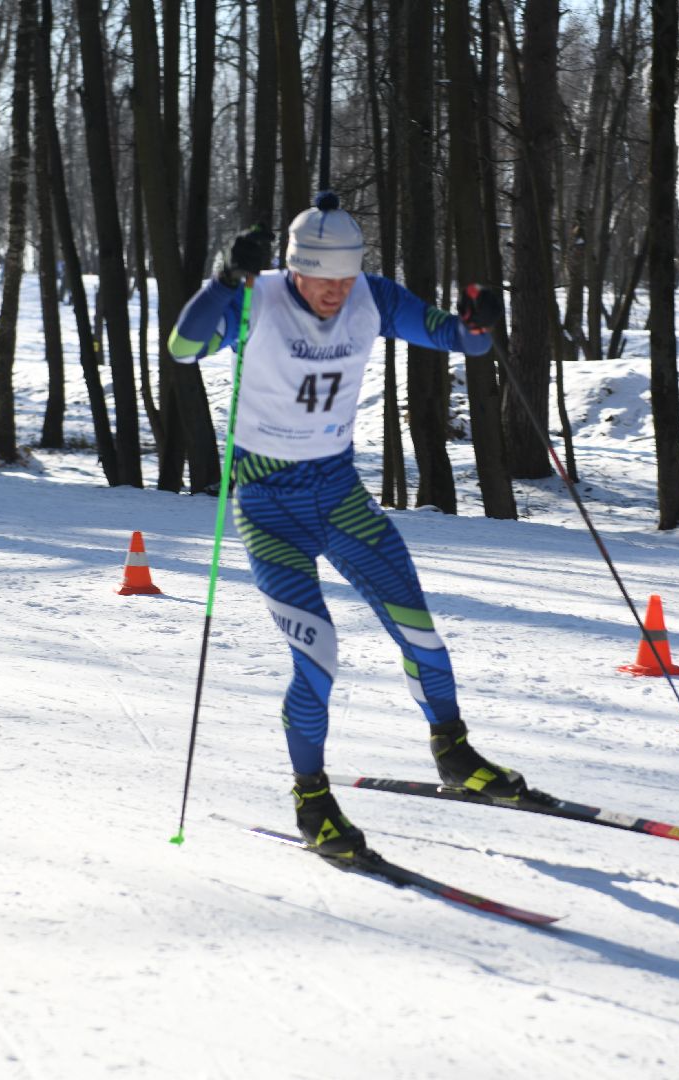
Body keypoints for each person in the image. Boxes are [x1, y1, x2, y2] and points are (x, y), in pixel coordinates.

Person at [168, 192, 524, 860]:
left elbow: (458, 338)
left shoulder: (373, 296)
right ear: (292, 269)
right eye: (320, 278)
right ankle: (313, 800)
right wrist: (222, 279)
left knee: (419, 629)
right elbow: (183, 348)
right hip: (268, 504)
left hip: (338, 495)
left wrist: (481, 317)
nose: (334, 292)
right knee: (318, 656)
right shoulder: (258, 298)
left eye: (344, 277)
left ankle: (454, 753)